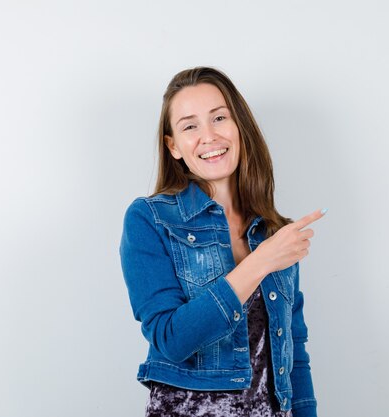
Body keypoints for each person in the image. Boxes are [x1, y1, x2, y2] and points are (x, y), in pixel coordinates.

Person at [119, 66, 326, 417]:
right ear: (174, 146)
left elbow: (295, 355)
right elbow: (172, 339)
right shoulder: (149, 220)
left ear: (239, 128)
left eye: (219, 118)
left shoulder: (274, 233)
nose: (209, 136)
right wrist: (261, 262)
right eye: (190, 126)